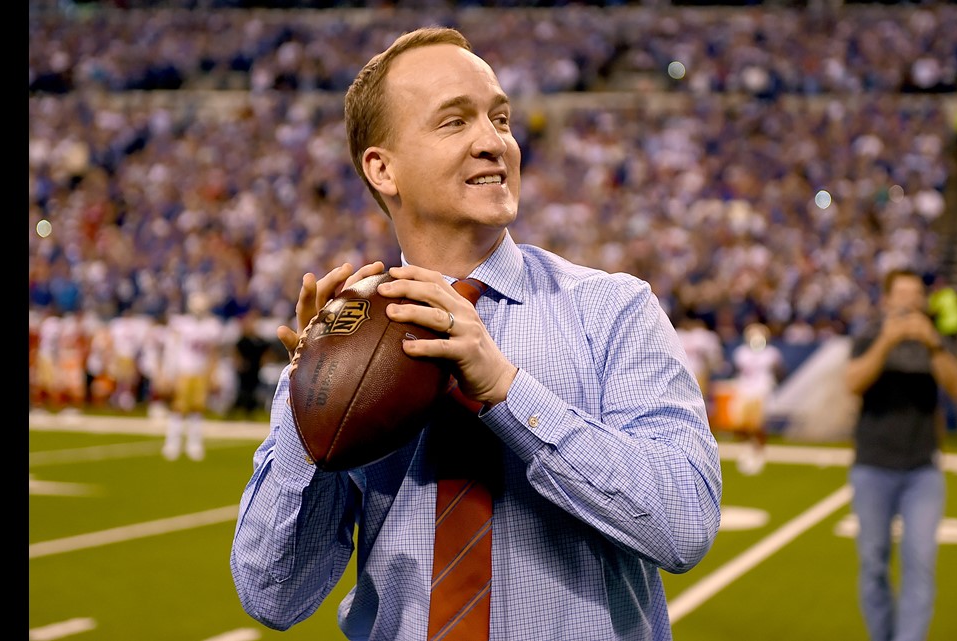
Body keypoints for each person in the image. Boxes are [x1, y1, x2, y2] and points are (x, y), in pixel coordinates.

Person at [230, 27, 722, 641]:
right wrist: (312, 421)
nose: (494, 143)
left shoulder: (612, 308)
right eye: (454, 122)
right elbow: (272, 595)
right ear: (382, 168)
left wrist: (508, 392)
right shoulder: (341, 334)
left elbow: (685, 524)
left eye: (501, 120)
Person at [844, 268, 957, 641]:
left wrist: (931, 343)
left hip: (921, 468)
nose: (910, 301)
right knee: (873, 563)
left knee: (920, 564)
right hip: (872, 466)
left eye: (916, 294)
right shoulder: (868, 335)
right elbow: (853, 383)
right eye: (902, 294)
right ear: (887, 299)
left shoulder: (938, 339)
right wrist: (887, 341)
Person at [161, 292, 224, 461]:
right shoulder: (181, 324)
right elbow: (172, 350)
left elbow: (213, 353)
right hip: (184, 370)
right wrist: (169, 373)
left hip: (200, 371)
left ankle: (194, 443)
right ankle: (173, 441)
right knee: (178, 407)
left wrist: (213, 374)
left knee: (197, 408)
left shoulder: (211, 326)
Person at [729, 322, 783, 475]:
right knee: (740, 424)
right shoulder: (741, 353)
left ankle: (759, 452)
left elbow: (779, 371)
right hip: (744, 389)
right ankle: (747, 448)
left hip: (761, 390)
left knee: (758, 425)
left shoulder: (771, 353)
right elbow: (737, 371)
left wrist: (772, 383)